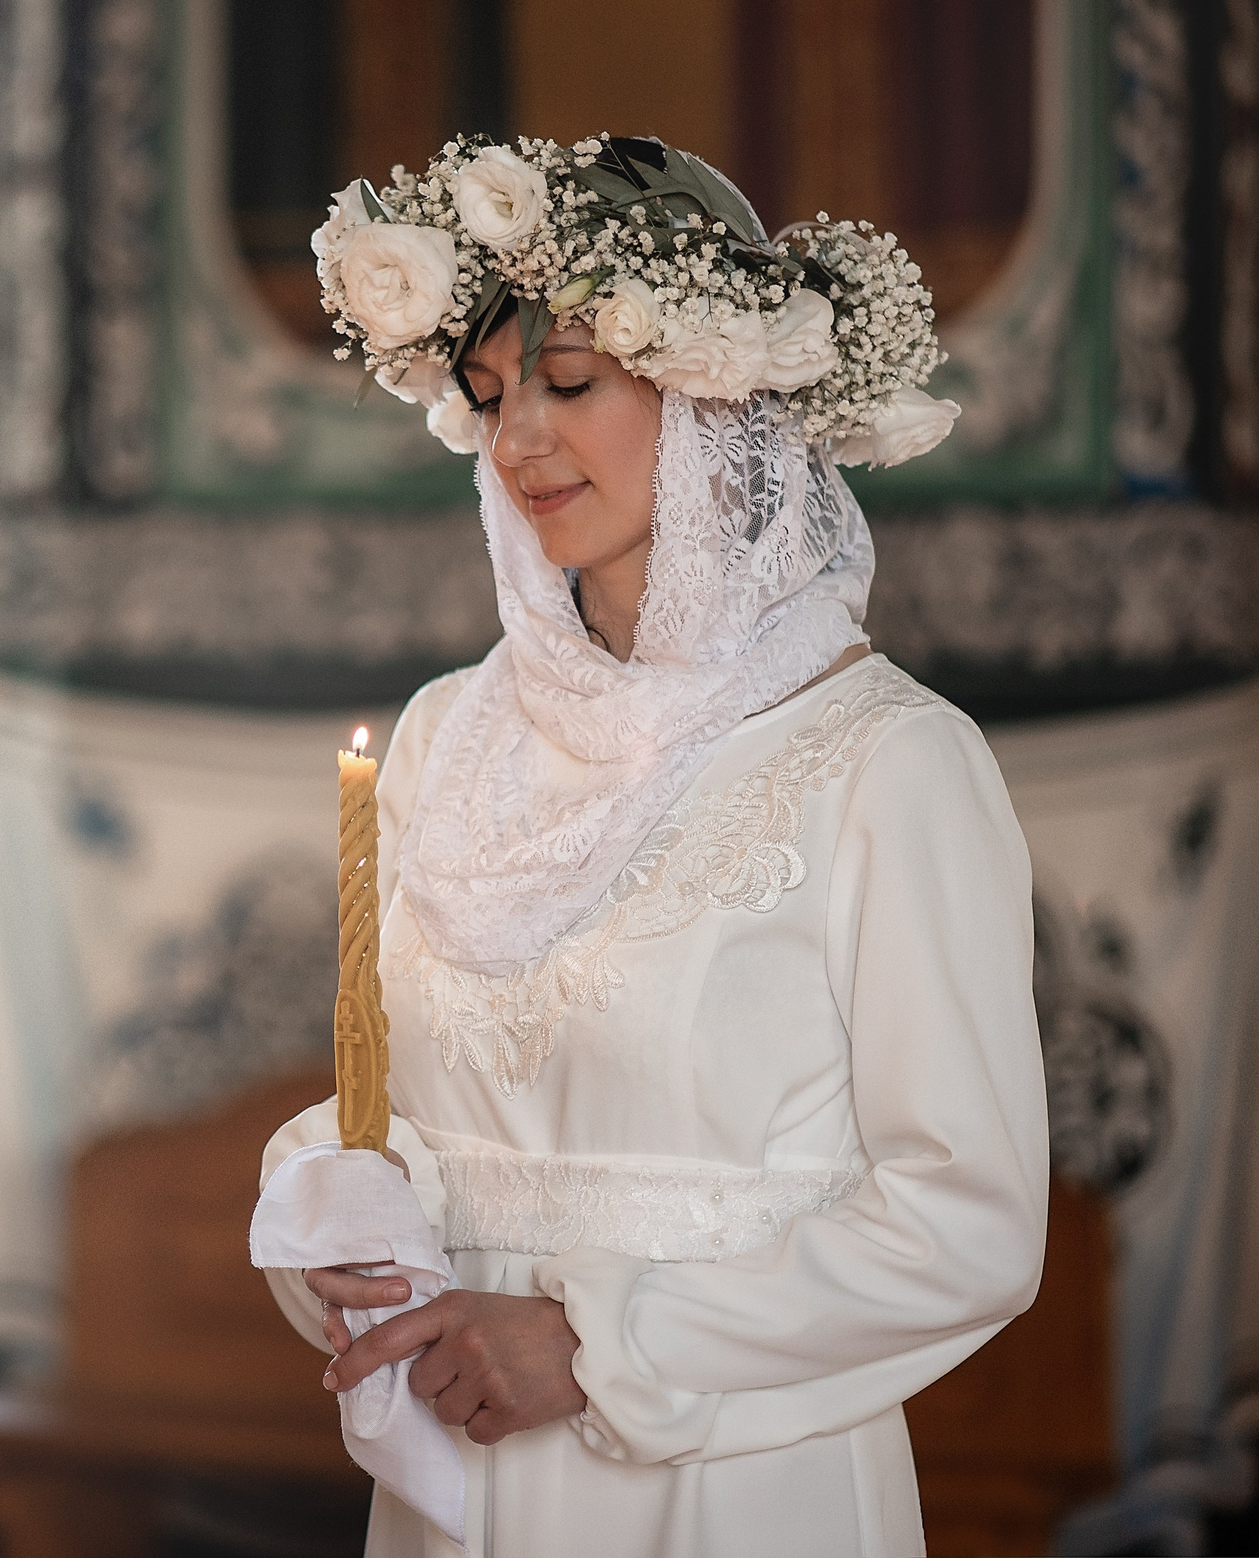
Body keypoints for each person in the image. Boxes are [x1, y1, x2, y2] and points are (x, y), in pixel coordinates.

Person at [263, 136, 1046, 1557]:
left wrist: (602, 1343)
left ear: (712, 399)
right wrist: (340, 1215)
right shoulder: (444, 740)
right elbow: (402, 1112)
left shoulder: (886, 761)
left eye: (568, 385)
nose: (518, 443)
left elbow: (968, 1220)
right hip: (454, 1471)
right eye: (491, 398)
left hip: (733, 1489)